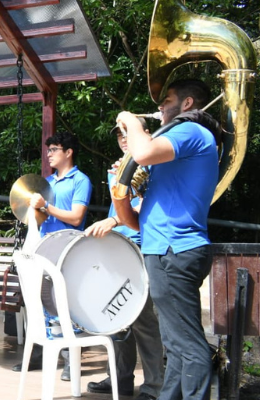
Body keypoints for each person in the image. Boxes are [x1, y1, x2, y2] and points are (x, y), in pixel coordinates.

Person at [112, 78, 219, 400]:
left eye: (167, 100)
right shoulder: (174, 149)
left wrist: (130, 120)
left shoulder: (189, 131)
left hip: (175, 250)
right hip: (163, 249)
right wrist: (121, 188)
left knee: (187, 343)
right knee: (174, 342)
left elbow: (142, 152)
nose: (160, 106)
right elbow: (133, 220)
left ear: (187, 104)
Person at [84, 123, 164, 400]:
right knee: (115, 316)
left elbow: (146, 205)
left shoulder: (156, 163)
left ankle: (155, 386)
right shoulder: (117, 168)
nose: (123, 140)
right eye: (120, 135)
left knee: (143, 320)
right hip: (118, 246)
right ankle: (120, 380)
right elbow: (122, 203)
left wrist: (114, 220)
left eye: (128, 135)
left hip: (143, 247)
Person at [12, 131, 92, 381]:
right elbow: (38, 217)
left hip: (67, 248)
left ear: (69, 152)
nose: (49, 154)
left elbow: (77, 217)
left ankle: (70, 360)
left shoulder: (81, 180)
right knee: (36, 301)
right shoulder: (46, 182)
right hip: (43, 246)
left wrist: (45, 206)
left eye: (54, 150)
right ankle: (36, 353)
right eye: (48, 150)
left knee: (62, 304)